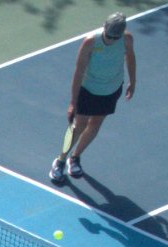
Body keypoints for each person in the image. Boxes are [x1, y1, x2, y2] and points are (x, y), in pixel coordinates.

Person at [51, 13, 135, 185]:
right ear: (104, 27)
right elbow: (78, 71)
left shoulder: (126, 39)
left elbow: (131, 58)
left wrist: (133, 81)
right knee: (78, 126)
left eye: (115, 37)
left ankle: (75, 158)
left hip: (111, 90)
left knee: (96, 124)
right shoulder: (90, 42)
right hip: (88, 90)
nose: (111, 40)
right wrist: (73, 102)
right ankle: (60, 160)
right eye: (109, 36)